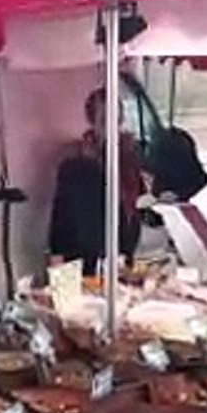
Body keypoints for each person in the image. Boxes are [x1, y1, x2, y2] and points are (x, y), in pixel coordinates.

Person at [47, 88, 147, 276]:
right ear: (92, 119)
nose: (110, 122)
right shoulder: (75, 161)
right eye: (103, 117)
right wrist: (56, 254)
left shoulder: (131, 154)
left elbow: (139, 200)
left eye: (114, 115)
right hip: (84, 249)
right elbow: (62, 213)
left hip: (120, 243)